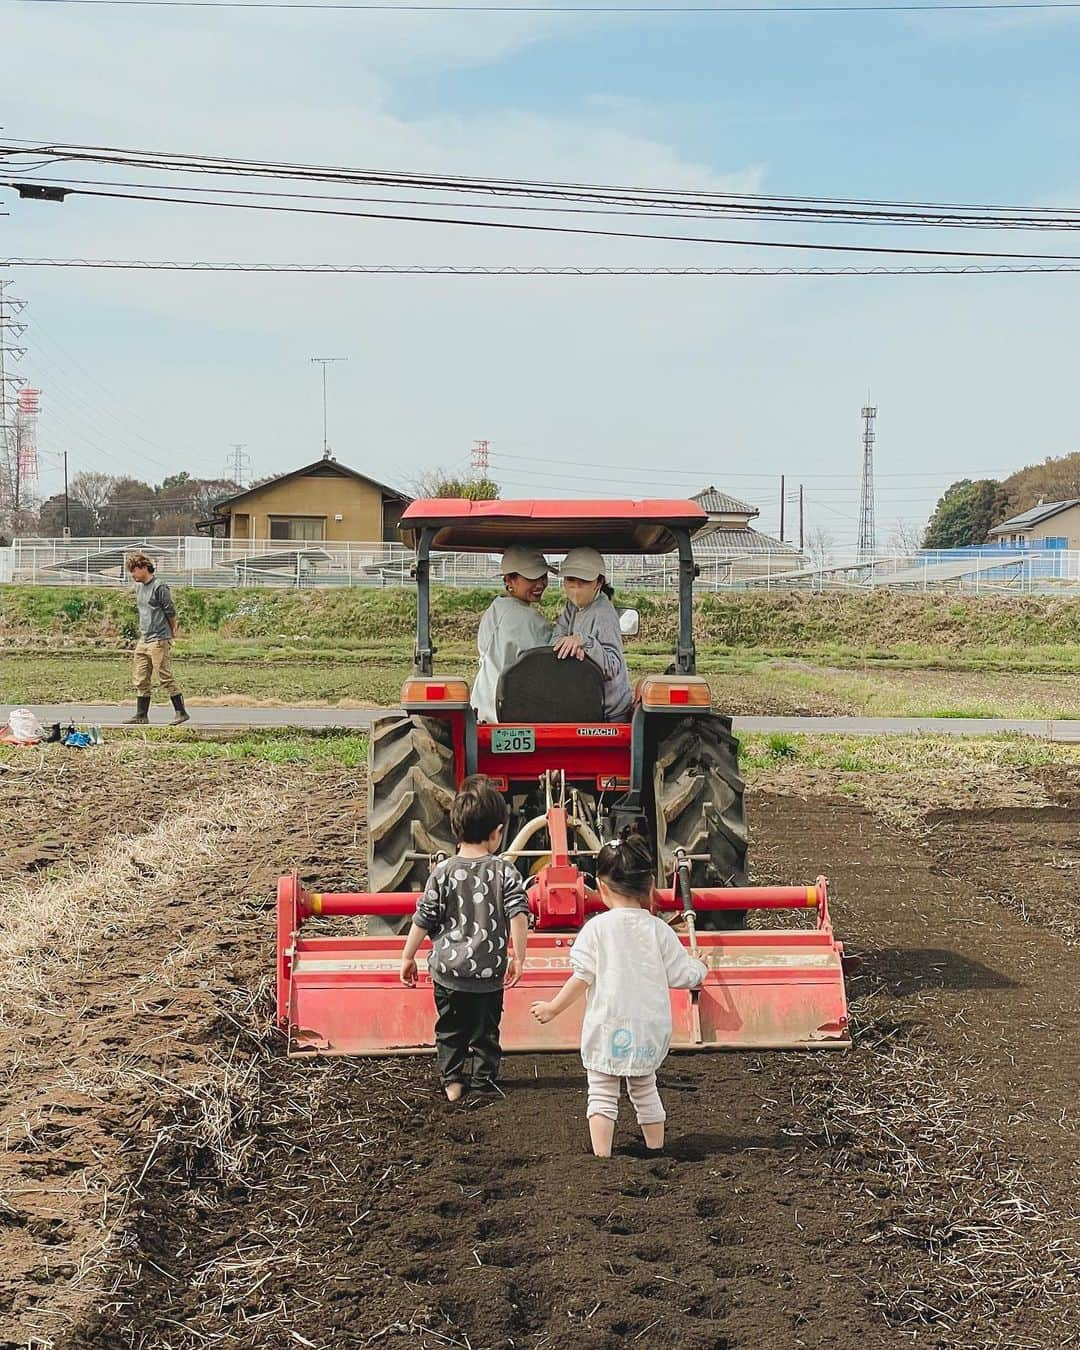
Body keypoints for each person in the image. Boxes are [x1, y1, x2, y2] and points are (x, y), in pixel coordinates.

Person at [529, 836, 706, 1157]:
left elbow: (582, 978)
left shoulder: (596, 930)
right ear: (650, 883)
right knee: (645, 1087)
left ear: (600, 886)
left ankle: (602, 1157)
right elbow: (683, 976)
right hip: (648, 1031)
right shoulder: (658, 930)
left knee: (601, 1092)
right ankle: (655, 1148)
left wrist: (553, 1008)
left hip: (608, 1028)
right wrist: (700, 969)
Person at [400, 774, 530, 1102]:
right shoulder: (505, 873)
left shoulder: (442, 873)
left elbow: (423, 918)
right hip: (488, 976)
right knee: (486, 1034)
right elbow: (518, 915)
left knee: (450, 1031)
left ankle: (453, 1083)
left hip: (447, 975)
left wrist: (407, 956)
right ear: (497, 832)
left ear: (455, 828)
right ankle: (484, 1083)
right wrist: (519, 957)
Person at [470, 547, 554, 724]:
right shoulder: (528, 619)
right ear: (509, 580)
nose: (540, 584)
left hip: (483, 706)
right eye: (532, 577)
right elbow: (550, 663)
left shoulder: (495, 609)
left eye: (543, 576)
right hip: (515, 710)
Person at [551, 547, 633, 722]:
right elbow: (556, 639)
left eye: (583, 580)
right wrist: (571, 648)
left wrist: (585, 644)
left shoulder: (604, 614)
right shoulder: (572, 607)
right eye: (571, 579)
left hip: (608, 711)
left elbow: (612, 666)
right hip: (583, 701)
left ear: (598, 582)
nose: (576, 586)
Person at [125, 552, 190, 726]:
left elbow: (171, 612)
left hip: (159, 639)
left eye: (134, 570)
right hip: (144, 638)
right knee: (140, 677)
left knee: (164, 676)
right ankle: (141, 714)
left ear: (144, 568)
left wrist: (172, 632)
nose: (132, 575)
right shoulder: (139, 587)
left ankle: (181, 712)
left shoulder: (159, 587)